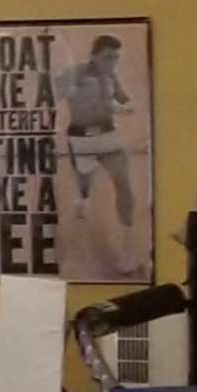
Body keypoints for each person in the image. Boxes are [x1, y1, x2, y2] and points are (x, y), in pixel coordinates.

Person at [58, 30, 139, 249]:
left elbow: (125, 101)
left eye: (115, 57)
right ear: (94, 55)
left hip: (108, 136)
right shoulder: (75, 73)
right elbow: (54, 93)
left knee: (123, 185)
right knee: (84, 182)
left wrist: (124, 107)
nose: (112, 62)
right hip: (81, 138)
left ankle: (127, 242)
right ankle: (83, 199)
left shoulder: (111, 77)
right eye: (107, 57)